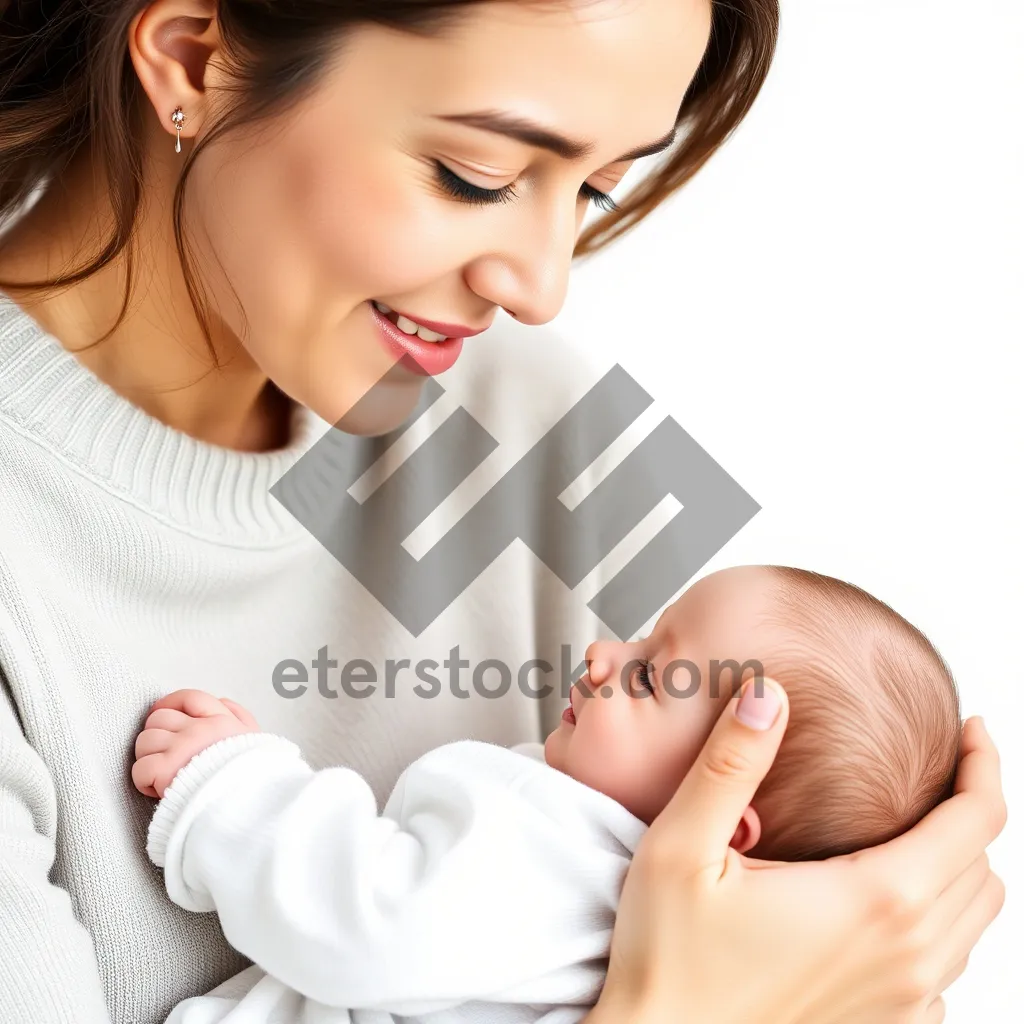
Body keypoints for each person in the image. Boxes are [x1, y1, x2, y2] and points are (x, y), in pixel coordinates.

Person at [0, 2, 1005, 1023]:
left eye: (598, 187)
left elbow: (823, 853)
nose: (541, 287)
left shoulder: (541, 413)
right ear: (190, 57)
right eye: (476, 175)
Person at [128, 565, 963, 1024]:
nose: (602, 653)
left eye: (649, 675)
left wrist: (232, 785)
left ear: (727, 826)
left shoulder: (562, 858)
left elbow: (373, 920)